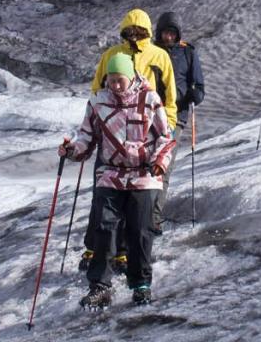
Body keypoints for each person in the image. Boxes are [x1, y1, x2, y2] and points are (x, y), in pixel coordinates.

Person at [60, 53, 176, 308]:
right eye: (111, 81)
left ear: (131, 76)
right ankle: (100, 286)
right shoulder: (97, 103)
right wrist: (71, 151)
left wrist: (159, 162)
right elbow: (86, 137)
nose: (115, 86)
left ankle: (140, 285)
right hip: (111, 174)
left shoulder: (149, 99)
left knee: (140, 230)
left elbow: (165, 139)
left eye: (120, 80)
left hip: (144, 175)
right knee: (104, 227)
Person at [81, 9, 178, 273]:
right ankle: (96, 248)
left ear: (147, 31)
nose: (134, 35)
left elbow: (169, 96)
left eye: (140, 31)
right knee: (104, 197)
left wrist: (166, 125)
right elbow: (96, 91)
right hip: (112, 135)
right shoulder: (111, 55)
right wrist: (99, 122)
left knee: (137, 202)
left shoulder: (160, 56)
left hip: (145, 135)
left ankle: (124, 252)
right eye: (129, 31)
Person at [154, 12, 205, 133]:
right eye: (166, 33)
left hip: (177, 115)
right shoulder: (152, 52)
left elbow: (199, 85)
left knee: (168, 151)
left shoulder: (188, 53)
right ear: (159, 33)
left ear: (178, 35)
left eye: (172, 34)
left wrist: (196, 95)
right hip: (152, 113)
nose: (169, 37)